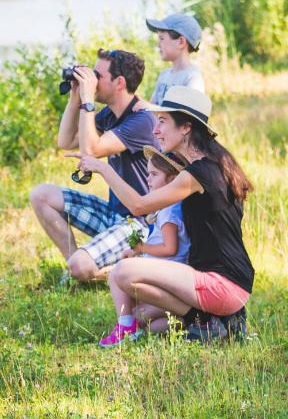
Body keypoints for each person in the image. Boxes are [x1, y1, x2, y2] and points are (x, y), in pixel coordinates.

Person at [72, 86, 253, 342]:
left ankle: (204, 322)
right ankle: (220, 321)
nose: (155, 130)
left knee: (123, 271)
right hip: (232, 282)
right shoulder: (213, 164)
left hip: (220, 284)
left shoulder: (198, 174)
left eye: (163, 122)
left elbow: (138, 206)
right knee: (148, 319)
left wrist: (103, 168)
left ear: (186, 127)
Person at [30, 49, 160, 283]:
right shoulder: (110, 114)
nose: (91, 80)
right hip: (115, 214)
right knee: (41, 195)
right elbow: (66, 141)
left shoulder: (142, 119)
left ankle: (114, 269)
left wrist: (88, 102)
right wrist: (75, 98)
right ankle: (77, 270)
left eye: (97, 75)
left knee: (80, 266)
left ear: (119, 83)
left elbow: (92, 150)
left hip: (141, 224)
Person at [98, 146, 190, 347]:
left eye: (154, 174)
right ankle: (177, 323)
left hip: (169, 275)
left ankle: (125, 327)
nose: (148, 179)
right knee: (145, 321)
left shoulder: (169, 211)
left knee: (116, 274)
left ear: (172, 180)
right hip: (166, 273)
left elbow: (169, 248)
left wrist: (141, 248)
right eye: (148, 173)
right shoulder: (169, 206)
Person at [135, 13, 205, 111]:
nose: (158, 44)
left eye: (162, 38)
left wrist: (150, 107)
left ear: (181, 42)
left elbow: (188, 115)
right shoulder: (164, 75)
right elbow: (152, 107)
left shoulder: (192, 77)